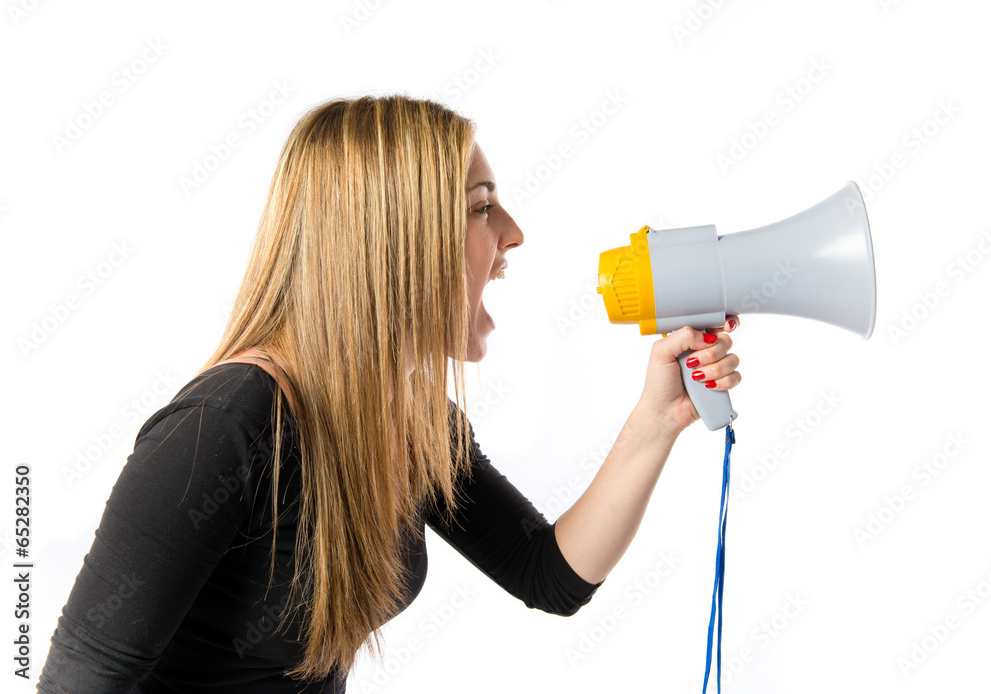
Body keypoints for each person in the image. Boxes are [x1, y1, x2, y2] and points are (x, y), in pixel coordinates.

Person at [35, 94, 741, 693]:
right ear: (394, 238)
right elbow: (79, 681)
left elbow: (548, 574)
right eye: (482, 207)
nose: (513, 234)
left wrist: (659, 418)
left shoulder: (408, 418)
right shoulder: (229, 422)